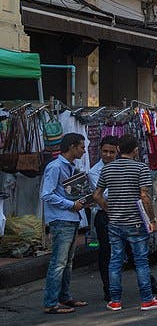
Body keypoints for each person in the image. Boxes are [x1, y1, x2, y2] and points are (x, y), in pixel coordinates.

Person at [92, 135, 157, 312]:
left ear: (118, 150)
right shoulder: (141, 168)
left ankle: (115, 301)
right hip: (135, 222)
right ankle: (147, 299)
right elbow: (145, 196)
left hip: (114, 223)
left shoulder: (107, 169)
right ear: (135, 150)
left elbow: (97, 195)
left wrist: (109, 210)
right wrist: (152, 219)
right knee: (141, 261)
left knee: (115, 261)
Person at [41, 133, 90, 315]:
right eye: (81, 147)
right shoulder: (55, 167)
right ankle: (51, 302)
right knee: (59, 263)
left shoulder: (71, 167)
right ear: (71, 146)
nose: (84, 151)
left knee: (67, 262)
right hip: (61, 219)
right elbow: (46, 194)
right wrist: (71, 205)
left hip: (70, 218)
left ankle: (64, 297)